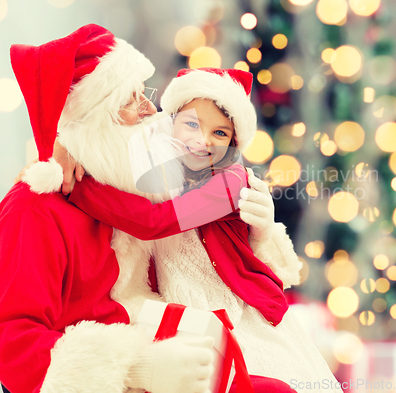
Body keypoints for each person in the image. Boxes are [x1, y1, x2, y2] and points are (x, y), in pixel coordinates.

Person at [0, 25, 278, 393]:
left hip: (207, 333)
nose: (151, 109)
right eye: (132, 100)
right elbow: (13, 346)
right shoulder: (36, 209)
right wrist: (134, 370)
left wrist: (264, 234)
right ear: (97, 117)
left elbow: (161, 224)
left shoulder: (134, 188)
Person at [62, 68, 343, 393]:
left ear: (234, 142)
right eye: (192, 124)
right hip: (176, 305)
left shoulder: (230, 180)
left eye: (220, 133)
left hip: (231, 306)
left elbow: (156, 222)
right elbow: (111, 147)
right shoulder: (155, 160)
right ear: (171, 122)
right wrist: (70, 149)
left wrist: (80, 188)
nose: (203, 140)